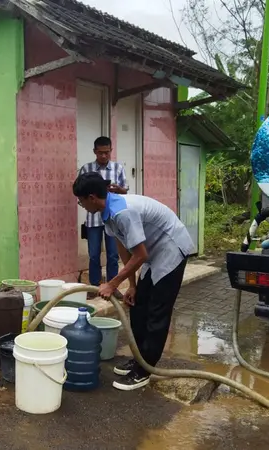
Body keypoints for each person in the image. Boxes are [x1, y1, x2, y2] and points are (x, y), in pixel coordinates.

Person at [73, 172, 194, 391]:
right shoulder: (107, 212)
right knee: (137, 304)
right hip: (151, 251)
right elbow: (125, 248)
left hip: (171, 248)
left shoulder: (122, 212)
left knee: (157, 311)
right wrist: (131, 285)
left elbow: (140, 255)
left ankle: (145, 370)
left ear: (91, 197)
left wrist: (112, 284)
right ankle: (141, 358)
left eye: (80, 200)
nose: (80, 204)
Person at [77, 136, 128, 299]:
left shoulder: (118, 168)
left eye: (107, 153)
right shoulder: (87, 169)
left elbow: (125, 191)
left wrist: (118, 189)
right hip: (93, 220)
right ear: (94, 152)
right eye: (100, 153)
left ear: (111, 151)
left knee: (113, 254)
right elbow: (79, 191)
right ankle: (94, 287)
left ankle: (113, 286)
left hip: (112, 217)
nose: (104, 156)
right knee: (94, 254)